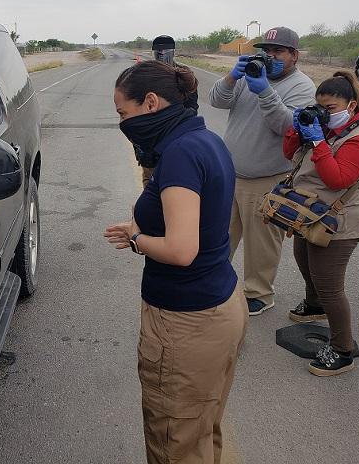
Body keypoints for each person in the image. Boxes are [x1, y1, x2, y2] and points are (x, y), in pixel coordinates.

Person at [104, 61, 247, 464]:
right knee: (202, 428)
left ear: (150, 102)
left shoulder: (181, 154)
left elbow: (182, 250)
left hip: (187, 320)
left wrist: (136, 239)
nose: (122, 123)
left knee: (175, 442)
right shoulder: (204, 139)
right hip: (219, 302)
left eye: (123, 113)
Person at [209, 26, 316, 315]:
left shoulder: (302, 86)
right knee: (219, 234)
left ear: (294, 55)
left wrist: (266, 92)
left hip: (267, 177)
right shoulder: (252, 74)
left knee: (262, 244)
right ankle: (214, 281)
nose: (270, 57)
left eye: (278, 52)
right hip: (231, 173)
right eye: (266, 51)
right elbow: (217, 100)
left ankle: (259, 293)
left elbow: (287, 128)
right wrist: (233, 77)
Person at [283, 72, 359, 376]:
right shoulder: (327, 128)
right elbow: (289, 156)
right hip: (310, 211)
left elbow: (337, 179)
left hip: (340, 221)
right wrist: (296, 130)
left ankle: (342, 349)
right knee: (303, 259)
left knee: (329, 284)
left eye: (331, 108)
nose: (325, 113)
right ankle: (314, 306)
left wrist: (318, 140)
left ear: (351, 105)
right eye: (320, 107)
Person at [132, 36, 199, 187]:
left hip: (176, 142)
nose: (162, 56)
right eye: (159, 52)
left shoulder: (184, 75)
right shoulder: (144, 75)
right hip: (151, 142)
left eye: (166, 52)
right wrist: (141, 147)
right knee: (150, 193)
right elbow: (134, 113)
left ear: (173, 52)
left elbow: (192, 111)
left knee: (175, 188)